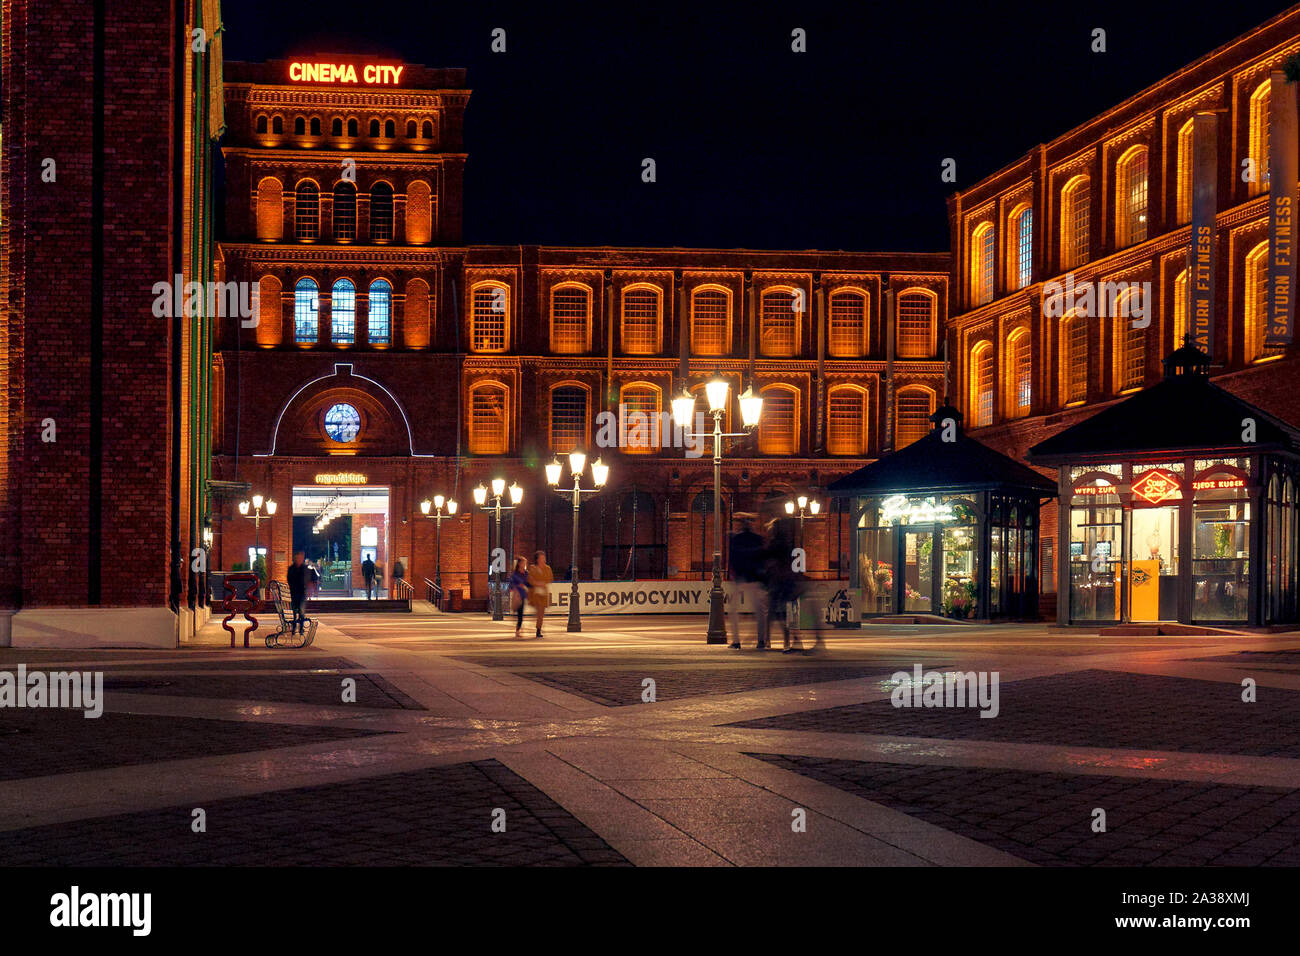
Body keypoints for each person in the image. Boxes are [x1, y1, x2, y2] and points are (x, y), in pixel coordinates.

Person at [728, 516, 767, 650]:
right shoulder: (758, 539)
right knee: (759, 610)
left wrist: (734, 575)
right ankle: (761, 640)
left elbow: (732, 559)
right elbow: (762, 559)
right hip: (755, 578)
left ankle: (736, 641)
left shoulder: (736, 539)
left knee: (733, 610)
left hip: (741, 578)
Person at [761, 518, 798, 652]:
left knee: (772, 613)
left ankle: (768, 641)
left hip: (776, 581)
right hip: (786, 581)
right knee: (783, 613)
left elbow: (766, 558)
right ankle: (786, 641)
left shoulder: (774, 543)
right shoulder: (787, 544)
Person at [526, 550, 554, 639]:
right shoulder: (532, 568)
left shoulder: (547, 568)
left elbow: (550, 578)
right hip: (535, 593)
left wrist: (543, 583)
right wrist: (537, 583)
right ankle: (538, 629)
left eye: (544, 558)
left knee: (541, 612)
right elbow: (530, 579)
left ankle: (538, 628)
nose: (543, 559)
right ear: (537, 559)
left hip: (543, 593)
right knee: (540, 611)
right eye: (541, 558)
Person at [286, 550, 309, 636]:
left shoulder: (304, 568)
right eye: (298, 558)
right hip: (295, 592)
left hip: (302, 593)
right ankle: (294, 627)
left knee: (301, 612)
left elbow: (306, 579)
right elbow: (289, 579)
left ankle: (301, 628)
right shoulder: (291, 569)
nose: (299, 559)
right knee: (295, 611)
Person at [507, 556, 529, 639]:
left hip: (523, 595)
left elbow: (528, 583)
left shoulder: (526, 573)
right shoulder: (515, 574)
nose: (524, 564)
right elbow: (511, 585)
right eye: (523, 563)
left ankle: (518, 629)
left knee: (520, 614)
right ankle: (518, 629)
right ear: (519, 564)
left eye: (525, 563)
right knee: (519, 613)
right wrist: (517, 586)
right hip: (517, 595)